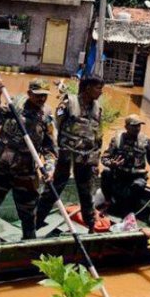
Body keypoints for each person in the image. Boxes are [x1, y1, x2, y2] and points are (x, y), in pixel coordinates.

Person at [0, 77, 58, 240]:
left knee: (29, 215)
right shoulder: (14, 103)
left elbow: (50, 149)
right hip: (1, 169)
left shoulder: (46, 116)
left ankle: (29, 244)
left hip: (25, 173)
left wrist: (50, 169)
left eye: (45, 95)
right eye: (38, 95)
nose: (42, 99)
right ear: (29, 93)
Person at [35, 75, 104, 232]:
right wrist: (52, 156)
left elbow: (98, 136)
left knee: (87, 194)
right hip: (65, 156)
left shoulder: (97, 108)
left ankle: (91, 226)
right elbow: (54, 130)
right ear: (87, 88)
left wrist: (96, 161)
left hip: (86, 158)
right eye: (98, 88)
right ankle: (36, 222)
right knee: (52, 190)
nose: (100, 92)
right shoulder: (68, 104)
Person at [100, 114, 150, 216]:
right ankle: (108, 202)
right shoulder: (117, 140)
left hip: (136, 177)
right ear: (126, 127)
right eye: (134, 126)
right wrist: (111, 164)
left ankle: (129, 211)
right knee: (105, 172)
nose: (137, 128)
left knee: (139, 185)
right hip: (118, 174)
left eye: (139, 126)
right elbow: (104, 158)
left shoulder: (145, 141)